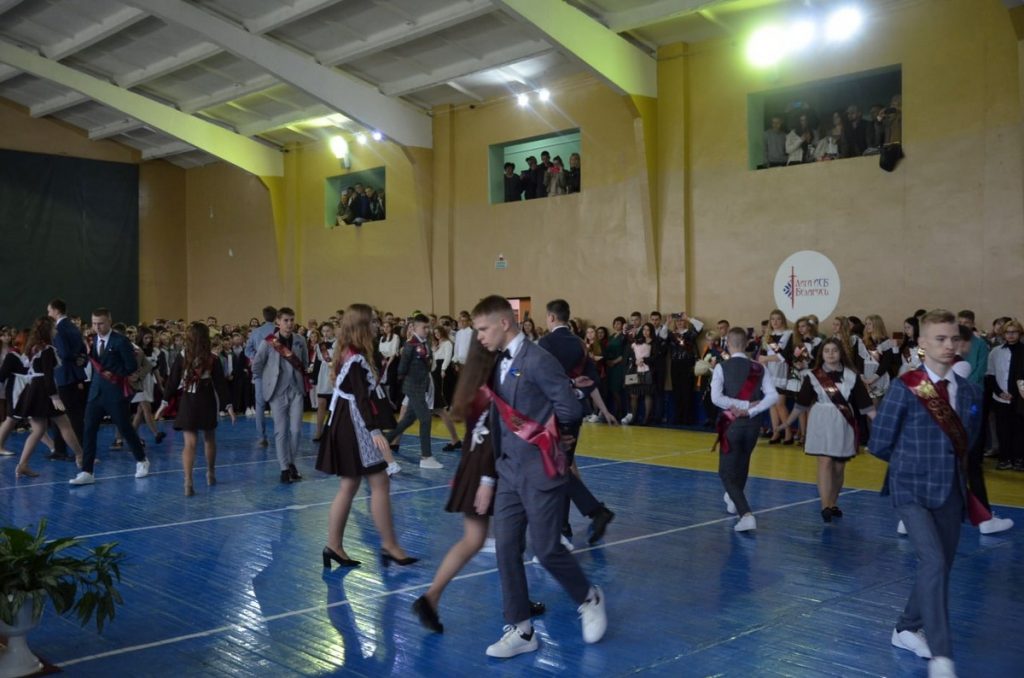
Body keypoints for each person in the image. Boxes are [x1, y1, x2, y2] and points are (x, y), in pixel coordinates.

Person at [471, 295, 606, 658]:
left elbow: (570, 407)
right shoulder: (497, 361)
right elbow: (497, 419)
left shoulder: (539, 359)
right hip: (508, 471)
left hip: (540, 469)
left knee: (546, 549)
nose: (479, 336)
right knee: (506, 548)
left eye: (482, 329)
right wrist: (488, 476)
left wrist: (558, 439)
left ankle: (589, 597)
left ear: (504, 323)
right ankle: (522, 629)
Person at [869, 309, 984, 678]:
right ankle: (942, 655)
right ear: (922, 343)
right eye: (939, 339)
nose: (948, 345)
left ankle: (906, 627)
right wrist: (913, 464)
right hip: (911, 490)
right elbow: (879, 443)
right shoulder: (905, 387)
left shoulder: (969, 391)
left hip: (951, 491)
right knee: (933, 562)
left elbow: (969, 442)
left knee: (941, 566)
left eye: (953, 339)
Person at [412, 336, 548, 632]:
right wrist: (487, 479)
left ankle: (432, 597)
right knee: (509, 539)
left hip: (473, 466)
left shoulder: (471, 383)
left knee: (475, 540)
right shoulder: (493, 386)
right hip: (490, 470)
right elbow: (491, 437)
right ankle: (516, 602)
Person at [317, 304, 416, 570]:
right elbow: (362, 399)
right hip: (356, 424)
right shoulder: (357, 359)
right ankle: (389, 545)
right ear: (361, 326)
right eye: (372, 322)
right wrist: (374, 430)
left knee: (349, 485)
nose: (377, 325)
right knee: (379, 481)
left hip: (345, 421)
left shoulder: (349, 353)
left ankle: (334, 545)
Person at [538, 300, 616, 547]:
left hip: (552, 413)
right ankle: (565, 523)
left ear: (551, 317)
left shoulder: (545, 343)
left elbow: (542, 378)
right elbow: (593, 377)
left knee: (556, 469)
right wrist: (578, 393)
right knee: (562, 467)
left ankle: (588, 513)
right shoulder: (581, 344)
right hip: (574, 413)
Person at [781, 339, 875, 521]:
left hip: (843, 423)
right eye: (827, 351)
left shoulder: (851, 376)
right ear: (821, 354)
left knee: (838, 468)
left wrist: (881, 424)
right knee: (824, 462)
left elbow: (866, 406)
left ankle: (832, 502)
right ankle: (825, 506)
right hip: (821, 421)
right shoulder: (813, 376)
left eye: (834, 350)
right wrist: (787, 423)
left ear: (841, 353)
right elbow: (801, 404)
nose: (830, 354)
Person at [69, 308, 151, 486]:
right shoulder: (92, 340)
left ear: (109, 322)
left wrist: (113, 372)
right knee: (89, 429)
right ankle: (87, 471)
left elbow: (131, 366)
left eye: (101, 323)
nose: (97, 327)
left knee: (125, 428)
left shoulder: (120, 341)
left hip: (115, 392)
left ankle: (142, 460)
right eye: (94, 323)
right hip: (96, 392)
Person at [710, 327, 780, 532]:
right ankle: (734, 500)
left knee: (725, 472)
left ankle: (746, 514)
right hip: (753, 424)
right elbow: (773, 396)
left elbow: (716, 398)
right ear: (747, 344)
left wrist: (741, 406)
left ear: (727, 344)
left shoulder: (721, 367)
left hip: (731, 424)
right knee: (742, 463)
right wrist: (750, 409)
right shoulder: (759, 367)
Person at [160, 322, 234, 496]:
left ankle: (188, 481)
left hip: (189, 401)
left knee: (189, 444)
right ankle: (210, 473)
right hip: (206, 399)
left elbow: (172, 382)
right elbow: (220, 385)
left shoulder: (182, 356)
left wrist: (164, 402)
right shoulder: (213, 358)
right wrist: (228, 405)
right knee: (209, 438)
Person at [11, 317, 86, 477]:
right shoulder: (47, 350)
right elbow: (48, 375)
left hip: (33, 389)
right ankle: (80, 455)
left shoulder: (33, 347)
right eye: (53, 328)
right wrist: (54, 396)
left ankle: (22, 465)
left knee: (38, 430)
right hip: (44, 391)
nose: (56, 330)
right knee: (65, 424)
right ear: (47, 330)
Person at [251, 307, 309, 484]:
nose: (289, 324)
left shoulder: (300, 340)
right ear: (278, 321)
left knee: (296, 430)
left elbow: (304, 363)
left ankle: (291, 463)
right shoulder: (269, 342)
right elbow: (257, 365)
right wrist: (266, 382)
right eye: (286, 320)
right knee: (281, 431)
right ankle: (284, 468)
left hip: (296, 390)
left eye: (292, 320)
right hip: (277, 391)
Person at [387, 314, 443, 469]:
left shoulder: (426, 343)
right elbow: (401, 368)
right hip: (413, 387)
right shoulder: (410, 345)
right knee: (425, 418)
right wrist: (408, 381)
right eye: (424, 327)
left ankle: (383, 441)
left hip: (421, 386)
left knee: (407, 420)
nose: (427, 330)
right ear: (415, 327)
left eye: (428, 327)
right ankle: (426, 456)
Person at [46, 298, 87, 462]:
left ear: (56, 311)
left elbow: (63, 353)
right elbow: (83, 350)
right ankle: (61, 449)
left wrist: (75, 357)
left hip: (63, 376)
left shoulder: (59, 328)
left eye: (49, 311)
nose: (48, 314)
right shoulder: (73, 326)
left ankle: (74, 450)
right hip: (74, 375)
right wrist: (80, 359)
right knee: (70, 414)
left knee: (65, 414)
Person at [244, 305, 277, 447]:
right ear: (276, 316)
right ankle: (281, 435)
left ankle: (262, 437)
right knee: (279, 404)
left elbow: (247, 350)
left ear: (263, 316)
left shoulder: (256, 332)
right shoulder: (278, 331)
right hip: (277, 371)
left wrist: (257, 357)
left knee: (260, 405)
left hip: (260, 371)